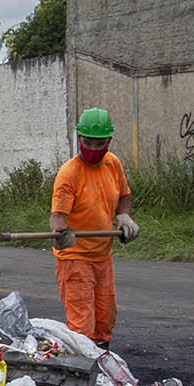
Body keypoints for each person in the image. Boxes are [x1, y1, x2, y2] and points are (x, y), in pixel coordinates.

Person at [47, 108, 138, 348]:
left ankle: (101, 369)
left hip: (102, 256)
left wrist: (124, 217)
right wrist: (60, 234)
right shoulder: (69, 174)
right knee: (82, 327)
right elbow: (58, 216)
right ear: (79, 138)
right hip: (75, 259)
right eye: (89, 143)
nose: (94, 149)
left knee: (105, 321)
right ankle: (81, 373)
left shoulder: (113, 164)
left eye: (100, 143)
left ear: (109, 140)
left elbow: (124, 196)